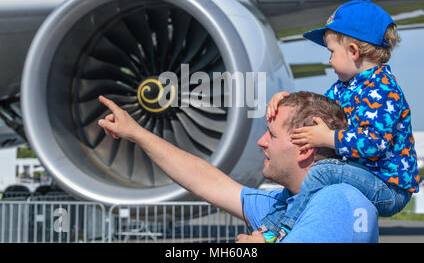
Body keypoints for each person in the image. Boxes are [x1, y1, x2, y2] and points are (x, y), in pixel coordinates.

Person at [97, 91, 379, 243]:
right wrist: (137, 134)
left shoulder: (337, 201)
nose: (261, 142)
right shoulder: (287, 206)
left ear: (304, 149)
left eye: (272, 134)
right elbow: (207, 181)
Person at [262, 0, 419, 242]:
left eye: (331, 52)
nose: (329, 60)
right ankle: (268, 228)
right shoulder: (344, 88)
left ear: (354, 51)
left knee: (322, 171)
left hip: (389, 188)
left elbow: (374, 143)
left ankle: (285, 232)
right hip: (363, 175)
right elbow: (317, 111)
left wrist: (329, 138)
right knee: (304, 173)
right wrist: (285, 102)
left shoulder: (385, 89)